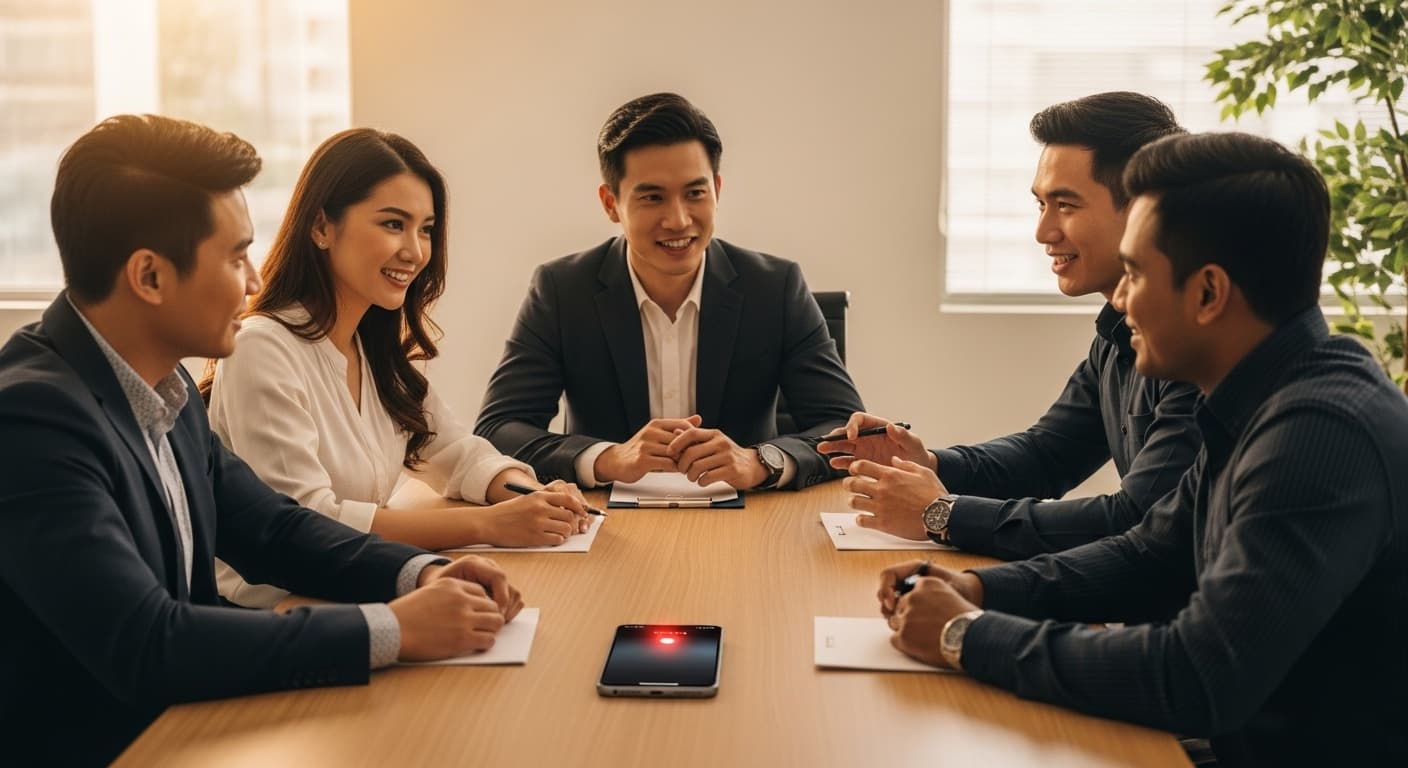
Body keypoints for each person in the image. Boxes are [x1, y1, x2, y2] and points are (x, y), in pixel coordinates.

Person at [0, 115, 525, 764]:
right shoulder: (32, 419)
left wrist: (420, 573)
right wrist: (390, 630)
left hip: (192, 723)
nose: (253, 282)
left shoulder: (170, 391)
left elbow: (274, 528)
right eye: (235, 255)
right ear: (150, 276)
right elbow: (146, 644)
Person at [876, 132, 1408, 765]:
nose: (1119, 301)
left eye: (1133, 274)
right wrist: (976, 589)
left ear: (1209, 293)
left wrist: (966, 635)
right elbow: (1149, 554)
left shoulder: (1319, 433)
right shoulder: (1253, 397)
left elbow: (1197, 675)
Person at [203, 128, 589, 608]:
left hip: (356, 592)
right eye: (393, 224)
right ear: (321, 226)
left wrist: (530, 496)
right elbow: (310, 520)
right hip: (280, 612)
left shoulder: (373, 349)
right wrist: (487, 525)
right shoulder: (262, 346)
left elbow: (459, 453)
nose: (415, 251)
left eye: (425, 228)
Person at [823, 92, 1201, 559]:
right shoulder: (1117, 332)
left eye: (1065, 205)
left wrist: (942, 513)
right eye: (1041, 205)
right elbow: (1047, 454)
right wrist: (929, 463)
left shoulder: (1195, 346)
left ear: (1143, 208)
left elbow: (1137, 519)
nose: (1044, 232)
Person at [475, 92, 864, 492]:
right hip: (603, 526)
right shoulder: (561, 290)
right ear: (612, 204)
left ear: (716, 189)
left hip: (749, 522)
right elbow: (498, 429)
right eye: (652, 197)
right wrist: (608, 458)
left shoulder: (776, 286)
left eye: (695, 193)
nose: (678, 220)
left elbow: (847, 427)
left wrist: (759, 461)